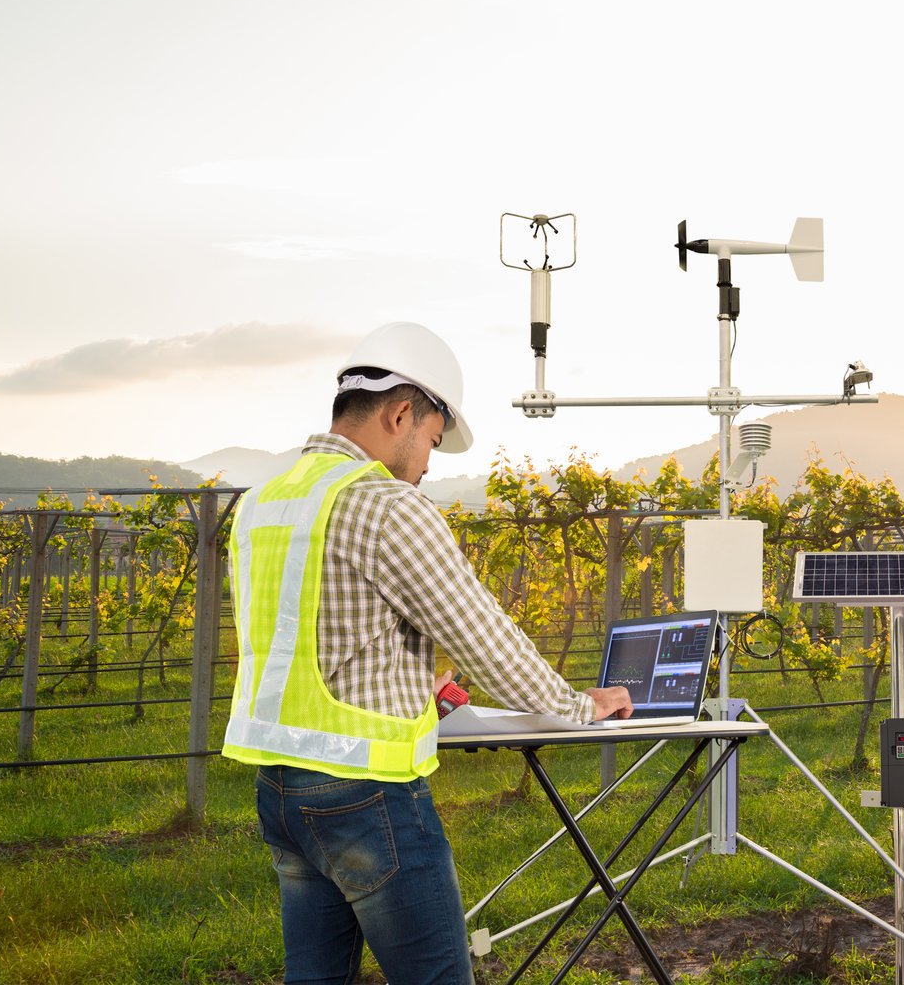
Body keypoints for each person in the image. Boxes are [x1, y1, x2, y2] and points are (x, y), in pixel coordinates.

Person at [222, 321, 633, 985]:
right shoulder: (386, 506)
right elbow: (487, 639)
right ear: (402, 412)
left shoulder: (261, 502)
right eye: (433, 441)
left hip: (280, 794)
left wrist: (407, 682)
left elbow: (306, 639)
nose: (429, 463)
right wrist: (576, 705)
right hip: (368, 797)